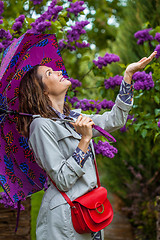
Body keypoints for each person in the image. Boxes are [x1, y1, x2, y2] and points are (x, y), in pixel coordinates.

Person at [18, 51, 157, 240]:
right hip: (65, 217)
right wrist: (84, 140)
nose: (59, 72)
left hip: (89, 209)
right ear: (42, 90)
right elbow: (63, 180)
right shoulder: (41, 126)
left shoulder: (73, 118)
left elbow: (115, 120)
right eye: (50, 73)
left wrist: (128, 76)